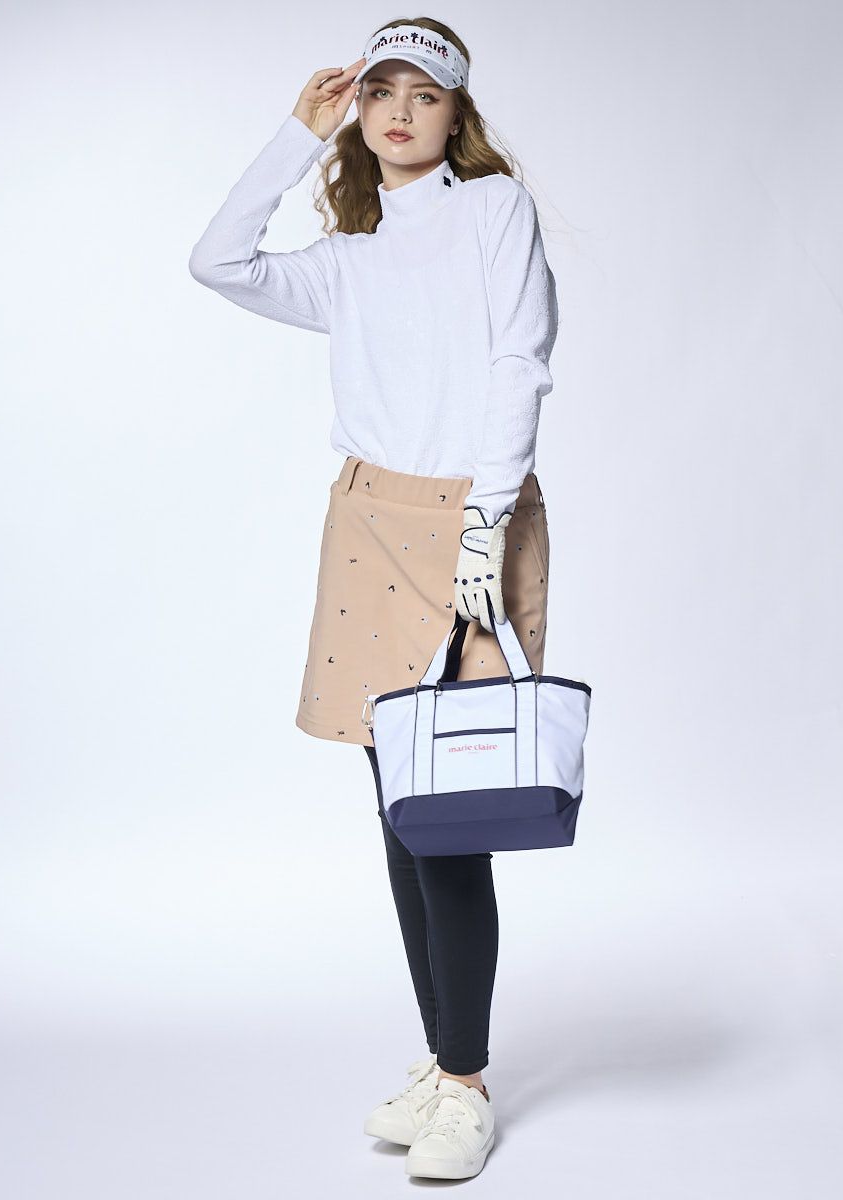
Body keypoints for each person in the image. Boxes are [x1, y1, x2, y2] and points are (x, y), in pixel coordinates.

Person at [188, 18, 558, 1181]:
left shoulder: (492, 210)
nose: (399, 111)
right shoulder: (345, 255)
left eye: (424, 94)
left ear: (457, 113)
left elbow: (520, 361)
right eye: (379, 91)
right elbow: (217, 261)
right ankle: (446, 1064)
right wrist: (293, 136)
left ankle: (466, 1086)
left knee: (447, 818)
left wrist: (486, 521)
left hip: (467, 518)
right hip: (366, 521)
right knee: (401, 813)